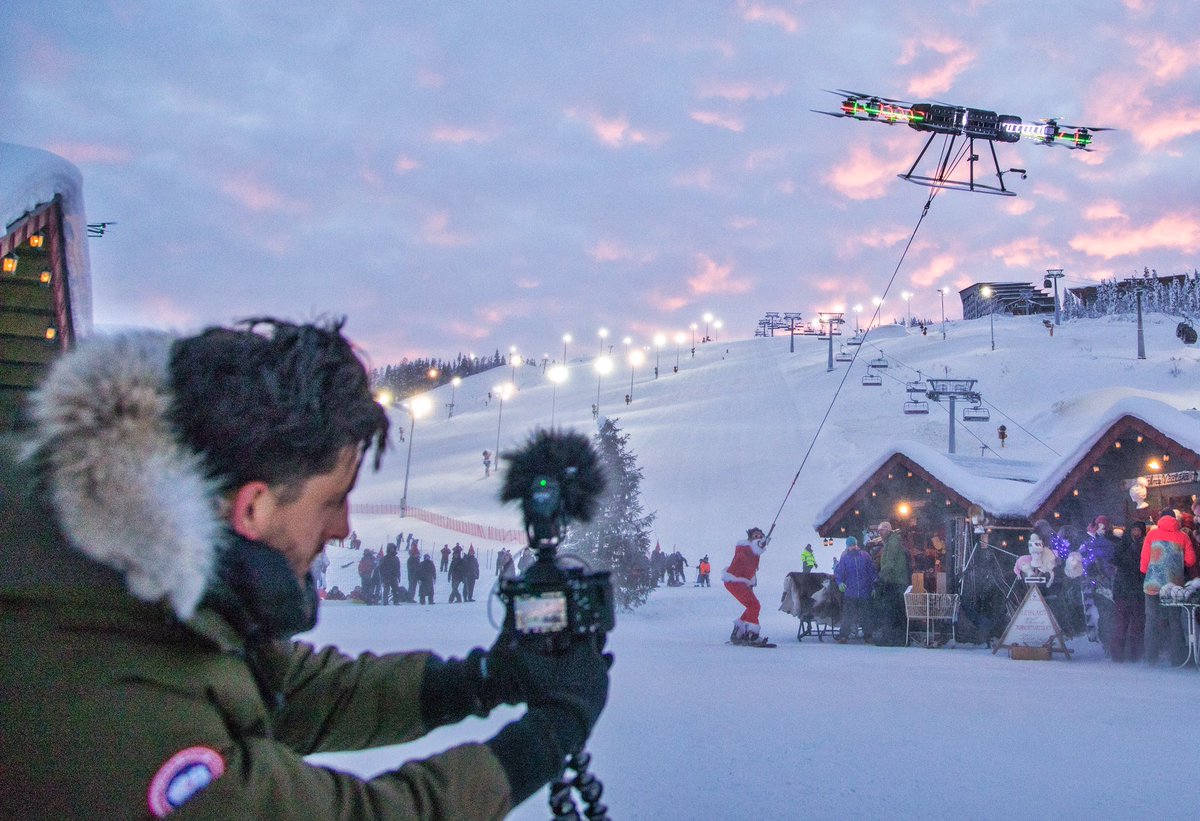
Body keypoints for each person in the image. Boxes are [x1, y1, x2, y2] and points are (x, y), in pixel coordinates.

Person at [0, 319, 610, 818]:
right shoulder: (111, 697)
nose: (344, 528)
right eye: (332, 500)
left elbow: (286, 690)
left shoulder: (133, 583)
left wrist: (479, 680)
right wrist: (537, 746)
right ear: (254, 507)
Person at [1141, 509, 1196, 666]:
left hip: (1152, 584)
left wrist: (1151, 572)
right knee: (1175, 621)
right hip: (1174, 586)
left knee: (1151, 620)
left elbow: (1144, 563)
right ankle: (1177, 659)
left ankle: (1151, 658)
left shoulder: (1152, 535)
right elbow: (1191, 561)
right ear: (1175, 519)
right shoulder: (1183, 536)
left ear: (1160, 518)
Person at [722, 526, 771, 645]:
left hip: (740, 582)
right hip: (734, 581)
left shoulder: (755, 552)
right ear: (749, 538)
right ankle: (752, 635)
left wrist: (751, 582)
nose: (758, 538)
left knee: (751, 606)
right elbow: (750, 549)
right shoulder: (744, 547)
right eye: (755, 536)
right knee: (755, 605)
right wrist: (760, 543)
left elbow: (750, 566)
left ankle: (738, 633)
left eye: (760, 536)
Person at [1109, 520, 1147, 662]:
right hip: (1123, 591)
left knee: (1136, 626)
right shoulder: (1123, 545)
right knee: (1121, 625)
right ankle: (1117, 655)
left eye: (1139, 531)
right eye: (1134, 530)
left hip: (1137, 592)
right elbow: (1115, 562)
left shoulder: (1144, 546)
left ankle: (1134, 656)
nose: (1136, 533)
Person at [835, 536, 877, 644]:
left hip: (864, 592)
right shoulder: (844, 558)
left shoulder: (865, 556)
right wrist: (840, 583)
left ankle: (868, 636)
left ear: (856, 545)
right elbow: (839, 572)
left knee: (866, 615)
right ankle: (844, 635)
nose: (852, 547)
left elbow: (871, 572)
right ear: (847, 546)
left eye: (853, 545)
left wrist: (873, 586)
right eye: (850, 545)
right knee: (847, 615)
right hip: (850, 592)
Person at [875, 522, 910, 646]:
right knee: (896, 609)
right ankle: (897, 637)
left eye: (882, 531)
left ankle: (895, 638)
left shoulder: (893, 542)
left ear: (888, 531)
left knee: (893, 609)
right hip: (895, 580)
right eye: (879, 531)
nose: (880, 533)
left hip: (896, 581)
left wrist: (880, 576)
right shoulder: (889, 542)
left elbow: (890, 562)